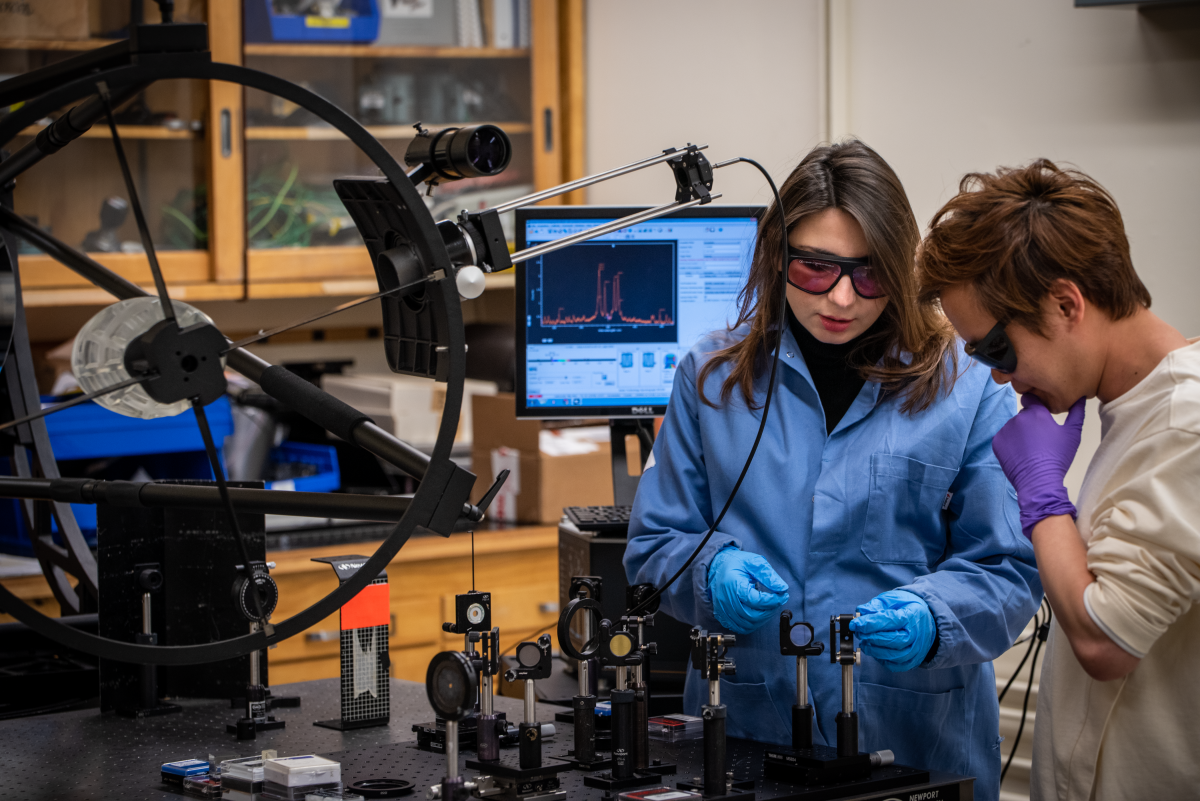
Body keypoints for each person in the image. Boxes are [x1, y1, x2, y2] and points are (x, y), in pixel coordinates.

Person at [624, 140, 1041, 800]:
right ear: (775, 257)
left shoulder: (969, 384)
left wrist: (937, 615)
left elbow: (1009, 568)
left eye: (869, 273)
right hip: (749, 735)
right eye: (815, 269)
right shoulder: (712, 379)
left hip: (916, 737)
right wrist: (712, 571)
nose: (842, 297)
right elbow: (653, 546)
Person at [917, 159, 1199, 801]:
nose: (994, 377)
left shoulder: (1185, 426)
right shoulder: (1137, 410)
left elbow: (1106, 643)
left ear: (1066, 303)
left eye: (996, 349)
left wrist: (1043, 492)